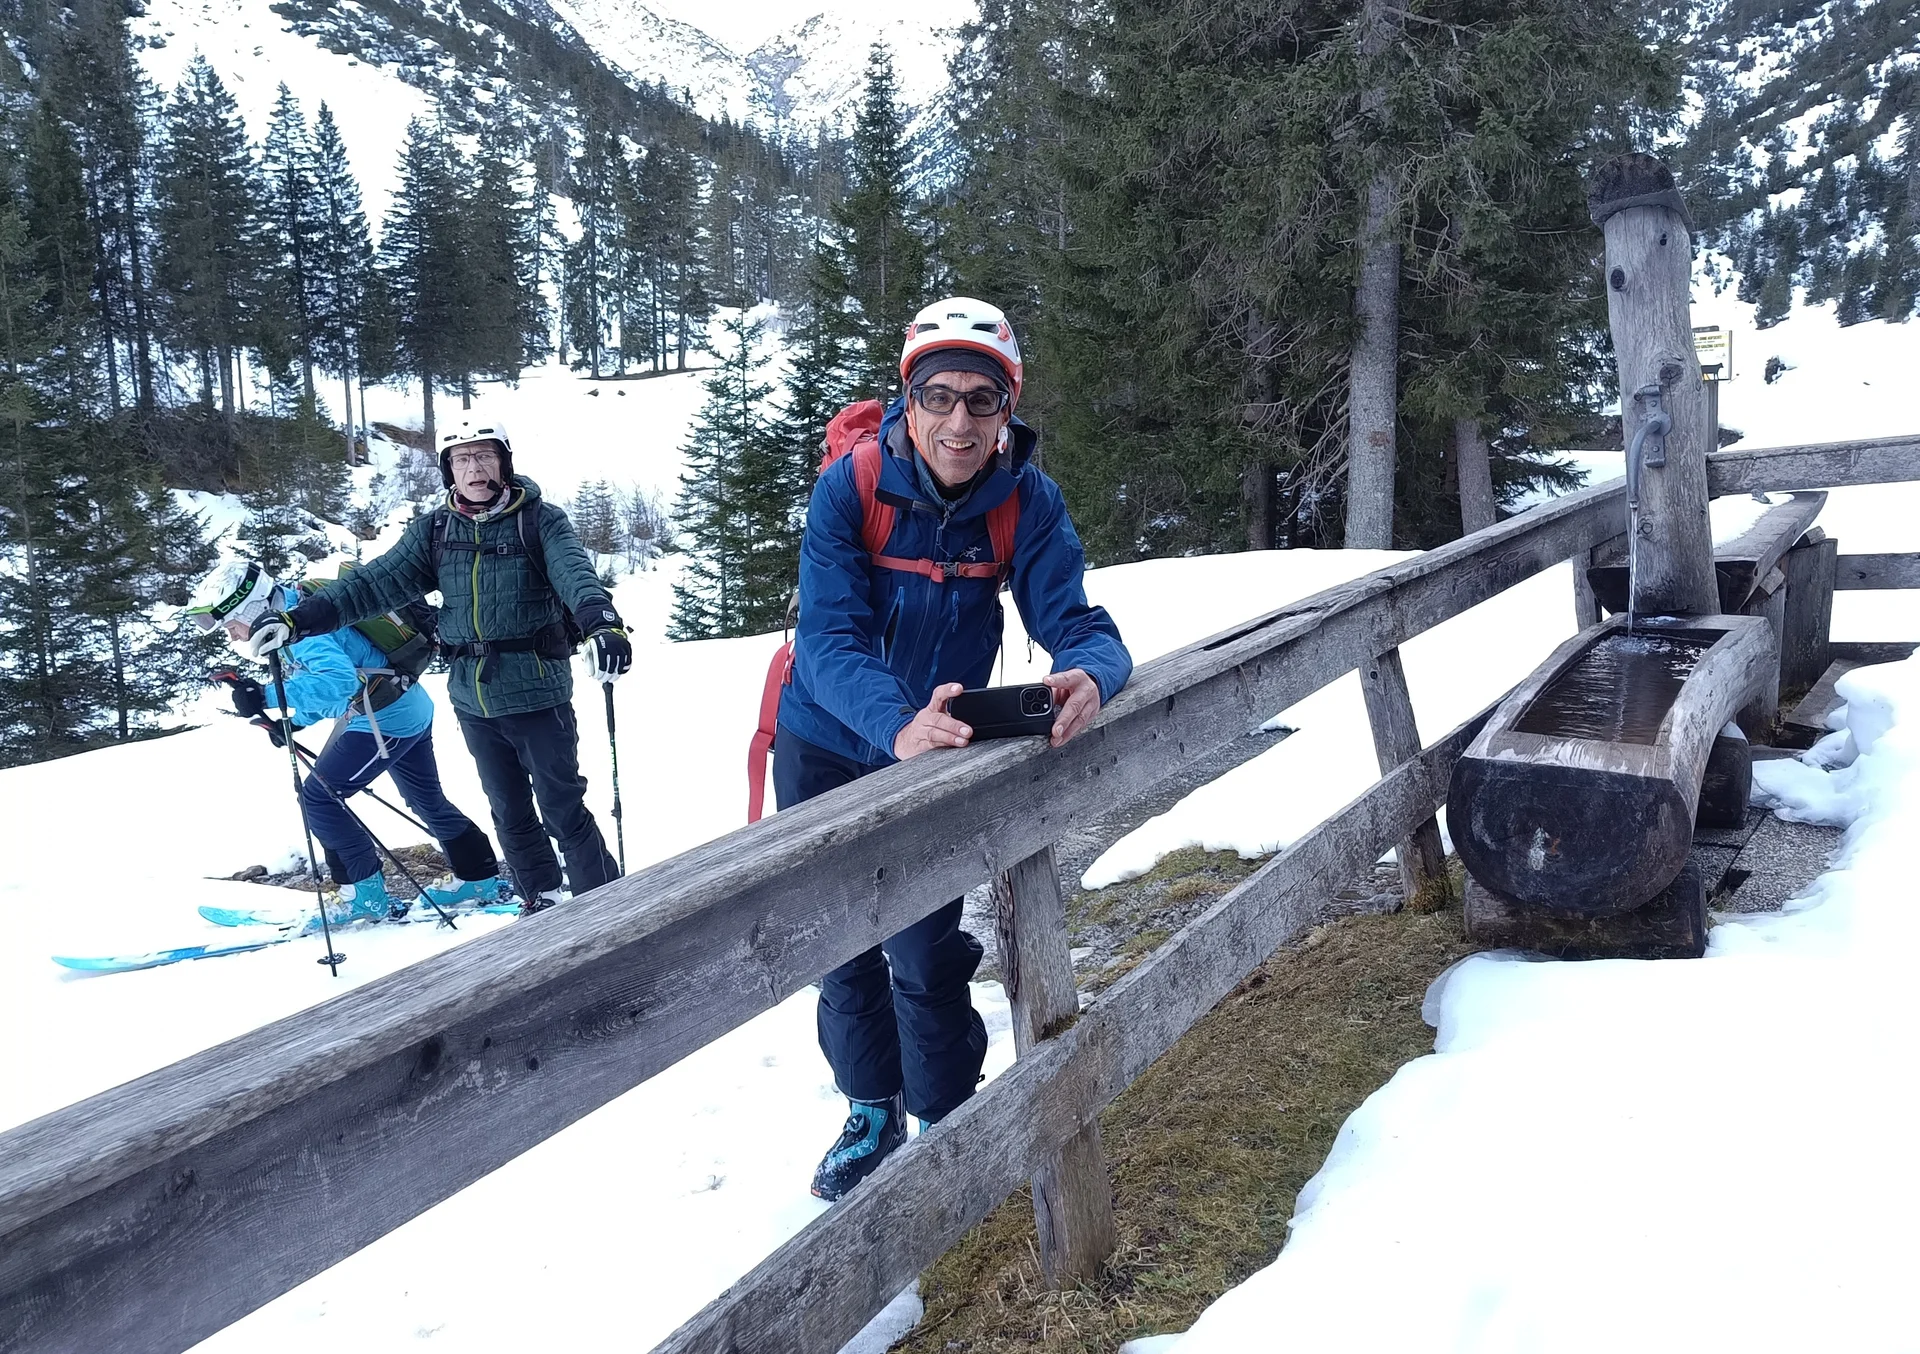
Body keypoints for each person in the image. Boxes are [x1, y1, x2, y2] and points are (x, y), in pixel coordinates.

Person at [775, 296, 1133, 1200]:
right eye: (939, 396)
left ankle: (946, 1115)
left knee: (926, 945)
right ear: (909, 397)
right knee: (839, 940)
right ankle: (870, 1106)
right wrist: (895, 723)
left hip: (943, 748)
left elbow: (1076, 620)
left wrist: (1090, 673)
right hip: (827, 741)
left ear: (1008, 407)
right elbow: (827, 638)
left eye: (983, 400)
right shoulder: (849, 488)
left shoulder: (1028, 500)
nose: (960, 422)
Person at [244, 418, 633, 915]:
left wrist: (602, 623)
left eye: (485, 456)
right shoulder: (435, 531)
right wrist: (300, 621)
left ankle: (608, 907)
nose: (475, 467)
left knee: (562, 810)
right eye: (462, 458)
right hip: (471, 697)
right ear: (448, 469)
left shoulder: (540, 520)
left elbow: (575, 575)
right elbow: (371, 585)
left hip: (537, 691)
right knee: (509, 811)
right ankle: (543, 903)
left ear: (504, 462)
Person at [185, 558, 504, 921]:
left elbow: (340, 682)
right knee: (426, 800)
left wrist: (265, 696)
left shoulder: (301, 630)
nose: (233, 635)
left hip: (385, 722)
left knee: (320, 800)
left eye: (231, 624)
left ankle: (364, 897)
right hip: (408, 707)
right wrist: (297, 721)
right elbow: (346, 680)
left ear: (252, 608)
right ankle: (478, 878)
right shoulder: (300, 612)